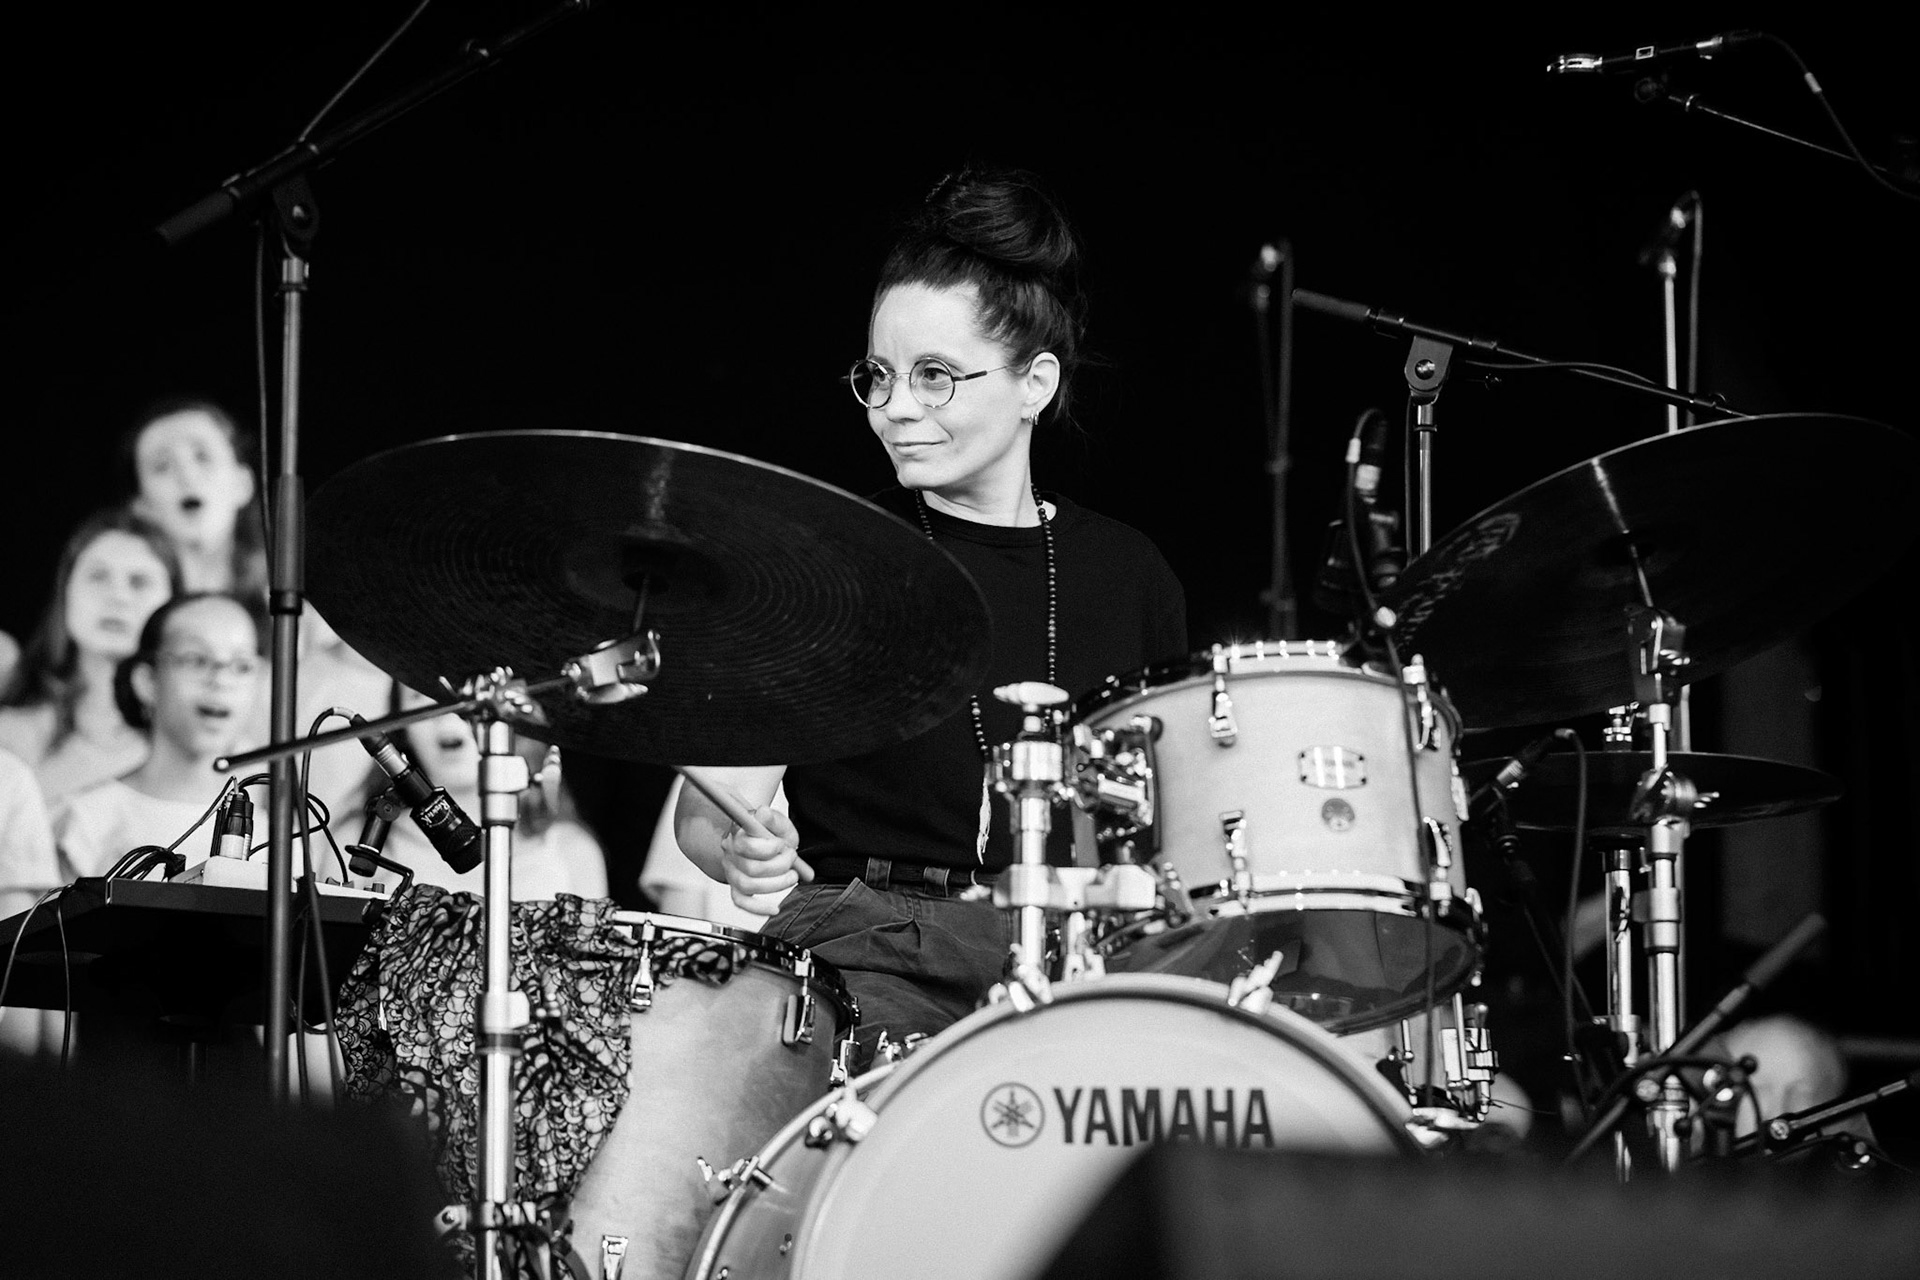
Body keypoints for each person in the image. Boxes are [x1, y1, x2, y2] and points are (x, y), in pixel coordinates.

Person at [674, 169, 1187, 1061]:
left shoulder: (1130, 574)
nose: (896, 408)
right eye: (879, 375)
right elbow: (708, 810)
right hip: (871, 955)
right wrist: (734, 851)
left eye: (936, 376)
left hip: (1079, 968)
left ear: (1035, 383)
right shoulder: (834, 560)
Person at [52, 593, 265, 879]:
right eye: (197, 660)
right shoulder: (85, 821)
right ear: (147, 681)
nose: (221, 680)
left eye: (241, 666)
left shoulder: (280, 837)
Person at [355, 682, 607, 901]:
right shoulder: (363, 846)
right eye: (420, 696)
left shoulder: (573, 852)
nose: (446, 716)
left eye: (460, 696)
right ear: (400, 723)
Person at [0, 509, 181, 806]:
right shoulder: (10, 736)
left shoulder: (197, 742)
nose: (117, 596)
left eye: (139, 582)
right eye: (98, 576)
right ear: (65, 590)